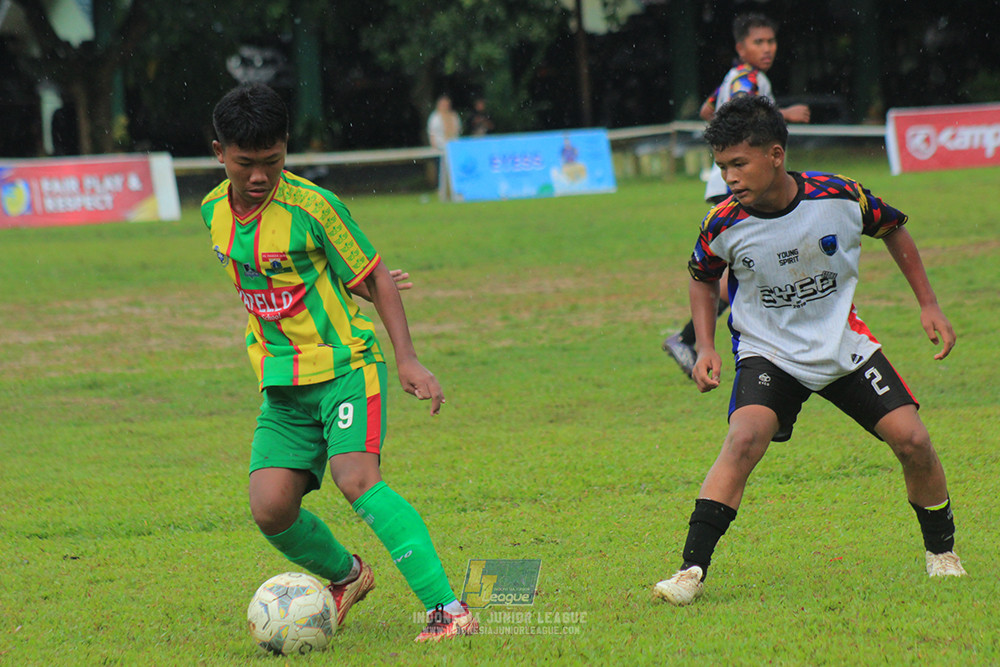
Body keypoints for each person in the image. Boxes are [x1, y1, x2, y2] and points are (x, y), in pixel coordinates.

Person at [653, 95, 966, 607]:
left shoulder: (840, 196)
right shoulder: (723, 223)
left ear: (775, 154)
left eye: (739, 164)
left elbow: (894, 229)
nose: (729, 177)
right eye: (722, 167)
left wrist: (929, 304)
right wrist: (706, 344)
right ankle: (689, 570)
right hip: (768, 351)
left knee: (913, 440)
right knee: (743, 439)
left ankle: (942, 554)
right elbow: (701, 279)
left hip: (841, 345)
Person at [201, 83, 478, 642]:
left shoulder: (311, 205)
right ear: (219, 153)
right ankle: (347, 576)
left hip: (346, 368)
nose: (259, 176)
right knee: (270, 509)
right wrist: (334, 281)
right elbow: (264, 277)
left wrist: (408, 358)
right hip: (283, 384)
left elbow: (373, 273)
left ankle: (447, 610)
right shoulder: (213, 212)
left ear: (286, 149)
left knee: (356, 479)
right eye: (245, 163)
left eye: (272, 161)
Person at [663, 12, 810, 378]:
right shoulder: (747, 79)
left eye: (770, 41)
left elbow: (707, 110)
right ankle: (693, 340)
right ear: (740, 47)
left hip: (729, 182)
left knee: (744, 268)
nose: (767, 48)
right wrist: (784, 113)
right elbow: (747, 114)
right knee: (738, 272)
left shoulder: (734, 76)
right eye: (758, 42)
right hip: (738, 184)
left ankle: (697, 340)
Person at [426, 94, 461, 201]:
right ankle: (442, 191)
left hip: (453, 148)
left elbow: (457, 131)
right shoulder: (435, 117)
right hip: (440, 148)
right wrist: (435, 147)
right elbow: (432, 133)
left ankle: (455, 191)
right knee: (441, 171)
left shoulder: (453, 116)